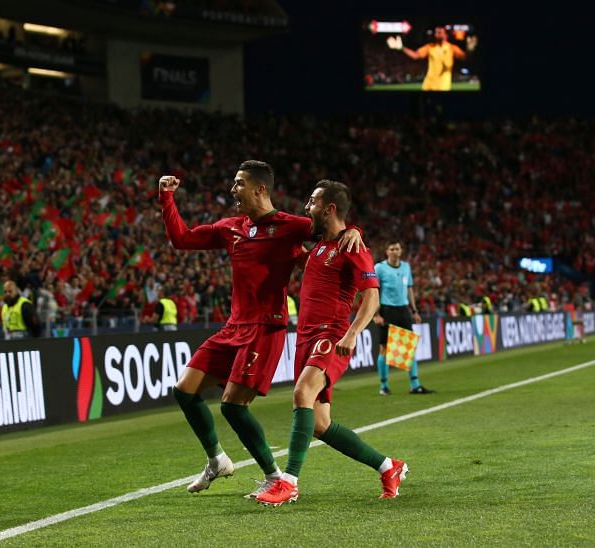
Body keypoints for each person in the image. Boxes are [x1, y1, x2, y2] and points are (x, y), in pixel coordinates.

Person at [158, 160, 365, 498]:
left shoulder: (291, 226)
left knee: (232, 406)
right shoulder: (231, 228)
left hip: (265, 328)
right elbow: (182, 239)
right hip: (233, 326)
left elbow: (333, 226)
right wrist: (166, 198)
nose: (232, 190)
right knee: (184, 390)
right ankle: (216, 459)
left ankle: (274, 476)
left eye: (239, 183)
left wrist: (355, 230)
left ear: (260, 189)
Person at [256, 180, 408, 507]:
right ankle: (388, 466)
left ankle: (288, 483)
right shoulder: (322, 246)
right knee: (321, 425)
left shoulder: (352, 247)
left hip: (332, 334)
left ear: (330, 209)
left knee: (301, 393)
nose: (306, 207)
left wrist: (352, 333)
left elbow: (372, 295)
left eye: (312, 202)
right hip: (306, 338)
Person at [373, 240, 433, 395]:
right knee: (385, 349)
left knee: (408, 348)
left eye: (397, 249)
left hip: (403, 310)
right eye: (391, 248)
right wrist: (375, 314)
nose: (394, 251)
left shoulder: (406, 267)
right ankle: (384, 386)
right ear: (387, 251)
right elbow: (372, 291)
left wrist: (414, 310)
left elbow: (409, 290)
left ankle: (415, 385)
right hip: (387, 311)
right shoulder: (379, 268)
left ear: (401, 251)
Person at [387, 26, 467, 91]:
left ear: (445, 35)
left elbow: (465, 57)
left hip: (443, 85)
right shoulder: (429, 47)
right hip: (428, 84)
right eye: (436, 32)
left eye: (439, 32)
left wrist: (470, 50)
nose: (437, 34)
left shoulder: (452, 48)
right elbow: (415, 55)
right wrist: (402, 48)